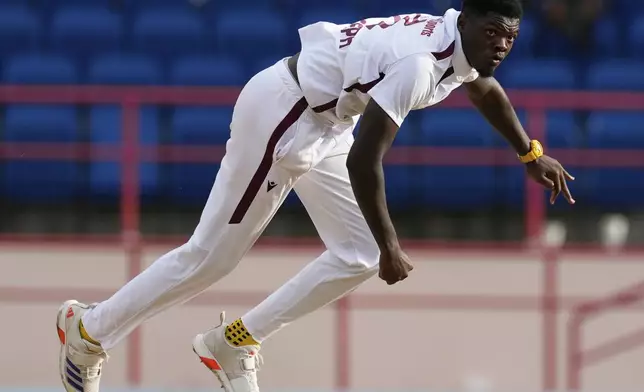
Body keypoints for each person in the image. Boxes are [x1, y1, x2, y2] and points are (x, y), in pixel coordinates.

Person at [56, 1, 575, 391]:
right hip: (285, 113)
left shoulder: (453, 41)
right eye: (492, 32)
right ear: (465, 22)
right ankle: (88, 330)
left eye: (510, 37)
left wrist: (529, 153)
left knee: (360, 254)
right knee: (209, 259)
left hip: (327, 121)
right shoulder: (419, 64)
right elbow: (364, 160)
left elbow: (481, 85)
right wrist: (393, 242)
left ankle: (235, 342)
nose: (502, 45)